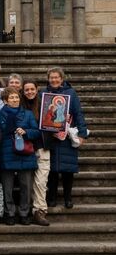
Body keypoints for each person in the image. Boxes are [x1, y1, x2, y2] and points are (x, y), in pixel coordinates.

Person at [44, 67, 88, 210]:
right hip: (50, 136)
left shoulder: (71, 93)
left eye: (57, 77)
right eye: (52, 77)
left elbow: (78, 112)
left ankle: (68, 198)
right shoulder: (44, 93)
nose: (54, 80)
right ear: (48, 79)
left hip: (66, 136)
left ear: (62, 79)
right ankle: (52, 198)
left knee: (68, 170)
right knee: (52, 171)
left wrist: (82, 133)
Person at [0, 86, 40, 225]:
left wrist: (26, 131)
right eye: (12, 98)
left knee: (26, 187)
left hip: (25, 153)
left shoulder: (27, 114)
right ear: (5, 100)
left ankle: (24, 213)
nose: (15, 100)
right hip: (6, 152)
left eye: (16, 97)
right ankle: (9, 213)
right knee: (7, 187)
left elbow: (36, 132)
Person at [22, 80, 51, 226]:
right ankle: (25, 209)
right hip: (25, 147)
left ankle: (40, 210)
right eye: (26, 90)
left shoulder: (46, 103)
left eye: (32, 89)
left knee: (41, 180)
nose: (29, 92)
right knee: (27, 182)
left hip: (42, 146)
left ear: (37, 89)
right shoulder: (20, 105)